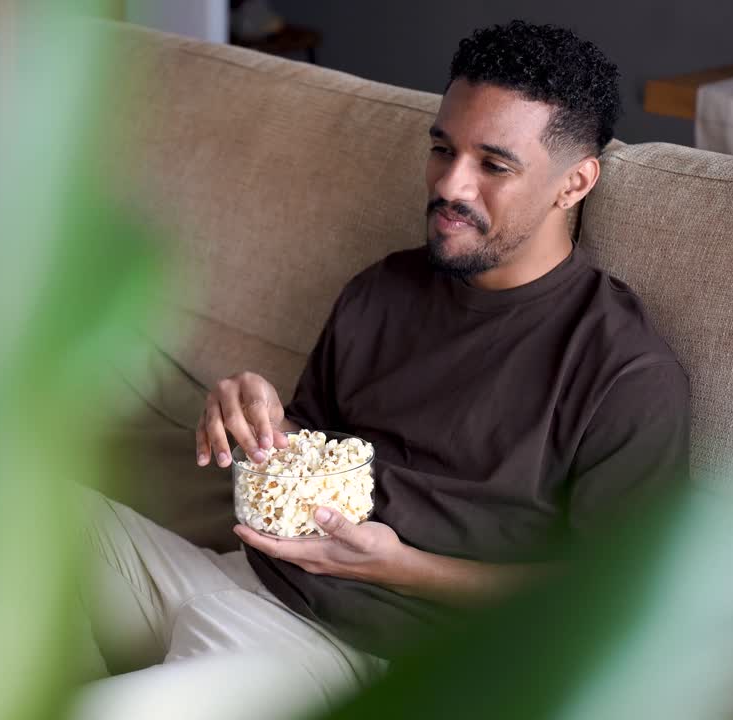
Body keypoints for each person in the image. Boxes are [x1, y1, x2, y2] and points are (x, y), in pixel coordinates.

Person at [71, 20, 689, 720]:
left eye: (494, 165)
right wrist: (256, 415)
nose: (450, 185)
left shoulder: (622, 371)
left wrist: (403, 568)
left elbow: (618, 598)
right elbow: (311, 446)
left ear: (574, 183)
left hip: (352, 652)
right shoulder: (383, 290)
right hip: (240, 575)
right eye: (441, 148)